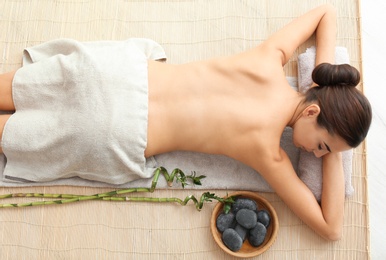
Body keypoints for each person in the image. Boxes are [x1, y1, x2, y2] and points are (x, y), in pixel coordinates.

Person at [0, 4, 371, 240]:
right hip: (116, 131)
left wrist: (325, 86)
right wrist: (339, 151)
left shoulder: (269, 58)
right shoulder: (267, 153)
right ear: (312, 112)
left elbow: (327, 13)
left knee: (12, 87)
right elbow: (331, 228)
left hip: (117, 74)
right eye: (323, 145)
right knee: (13, 134)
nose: (317, 154)